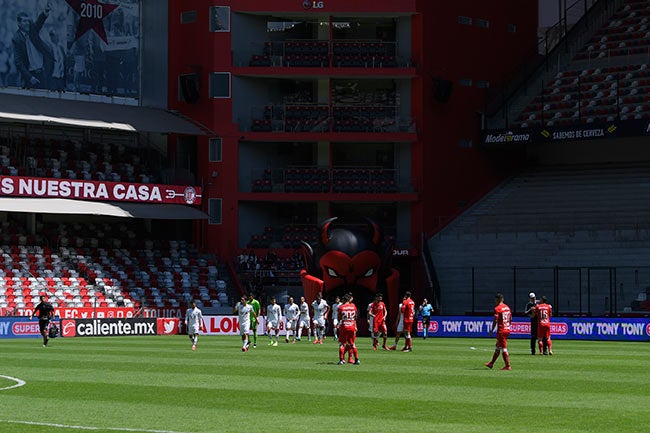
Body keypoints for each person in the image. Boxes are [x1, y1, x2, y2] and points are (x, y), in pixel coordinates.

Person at [12, 3, 54, 89]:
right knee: (30, 102)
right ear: (19, 24)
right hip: (30, 76)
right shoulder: (16, 39)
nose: (27, 23)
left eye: (28, 21)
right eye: (24, 21)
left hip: (42, 73)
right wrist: (30, 77)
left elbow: (39, 22)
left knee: (44, 100)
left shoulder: (33, 31)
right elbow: (18, 62)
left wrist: (45, 12)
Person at [485, 293, 512, 370]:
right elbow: (510, 319)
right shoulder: (507, 307)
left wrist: (492, 330)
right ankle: (491, 363)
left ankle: (508, 365)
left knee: (503, 348)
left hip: (501, 330)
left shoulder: (497, 308)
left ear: (497, 300)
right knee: (497, 346)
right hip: (507, 329)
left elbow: (495, 320)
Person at [337, 293, 360, 365]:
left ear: (344, 299)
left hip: (344, 326)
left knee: (342, 344)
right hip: (352, 326)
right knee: (352, 344)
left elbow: (339, 318)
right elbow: (356, 316)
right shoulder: (353, 306)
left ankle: (341, 360)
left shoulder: (341, 307)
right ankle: (357, 360)